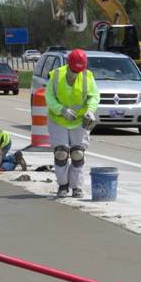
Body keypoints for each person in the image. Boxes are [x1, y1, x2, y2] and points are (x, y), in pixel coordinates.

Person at [45, 49, 100, 198]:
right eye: (74, 70)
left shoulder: (87, 76)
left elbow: (94, 96)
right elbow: (49, 97)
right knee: (61, 153)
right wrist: (61, 110)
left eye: (79, 70)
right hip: (58, 120)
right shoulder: (56, 75)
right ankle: (63, 185)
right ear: (68, 64)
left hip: (79, 121)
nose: (76, 73)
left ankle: (77, 187)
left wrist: (90, 110)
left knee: (77, 153)